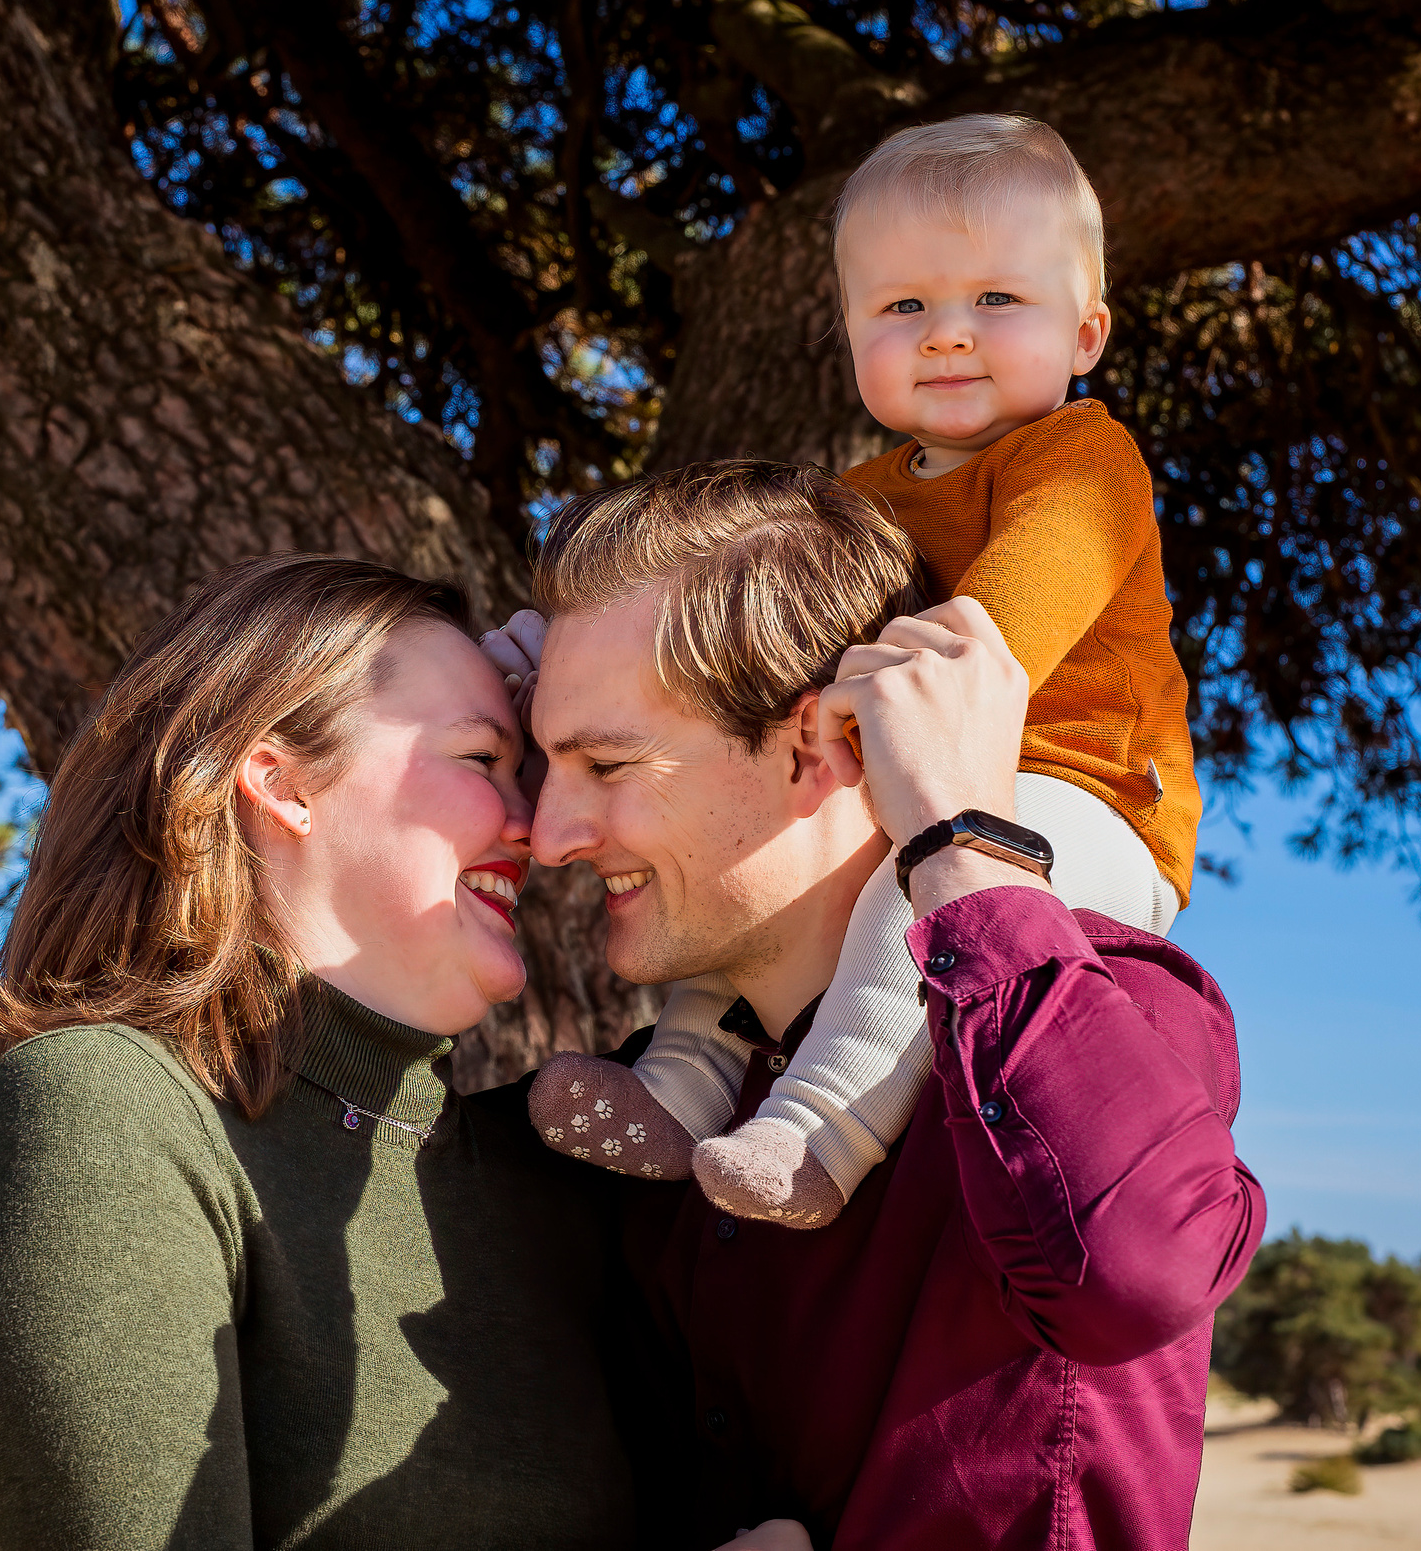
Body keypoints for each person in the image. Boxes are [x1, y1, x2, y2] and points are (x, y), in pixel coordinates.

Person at [504, 462, 1264, 1547]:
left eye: (608, 763)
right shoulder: (656, 1108)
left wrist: (958, 834)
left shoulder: (1085, 1007)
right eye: (545, 764)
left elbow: (1134, 1276)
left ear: (823, 744)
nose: (551, 832)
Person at [507, 113, 1203, 1230]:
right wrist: (552, 650)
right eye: (903, 307)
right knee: (739, 880)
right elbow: (726, 617)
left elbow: (1000, 630)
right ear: (848, 331)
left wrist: (882, 704)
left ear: (1086, 334)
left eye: (996, 301)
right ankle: (680, 1091)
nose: (947, 336)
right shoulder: (863, 491)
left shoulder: (1083, 458)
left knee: (907, 888)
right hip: (926, 770)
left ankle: (821, 1129)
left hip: (1081, 798)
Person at [0, 553, 659, 1551]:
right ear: (282, 782)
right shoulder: (106, 1119)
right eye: (481, 761)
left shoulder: (559, 1184)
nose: (538, 825)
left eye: (533, 774)